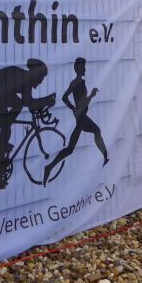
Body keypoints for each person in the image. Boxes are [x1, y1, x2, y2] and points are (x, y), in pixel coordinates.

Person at [0, 59, 56, 190]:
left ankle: (2, 140)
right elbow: (30, 103)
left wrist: (45, 101)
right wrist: (46, 100)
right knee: (6, 131)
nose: (41, 81)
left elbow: (28, 103)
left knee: (17, 107)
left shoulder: (24, 78)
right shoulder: (25, 80)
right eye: (41, 77)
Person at [42, 57, 109, 186]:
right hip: (81, 117)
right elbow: (68, 98)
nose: (85, 69)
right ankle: (105, 157)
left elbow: (76, 100)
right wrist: (77, 105)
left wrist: (81, 103)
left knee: (70, 149)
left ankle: (49, 167)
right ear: (78, 68)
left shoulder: (79, 82)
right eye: (83, 67)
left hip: (81, 117)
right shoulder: (77, 83)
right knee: (96, 131)